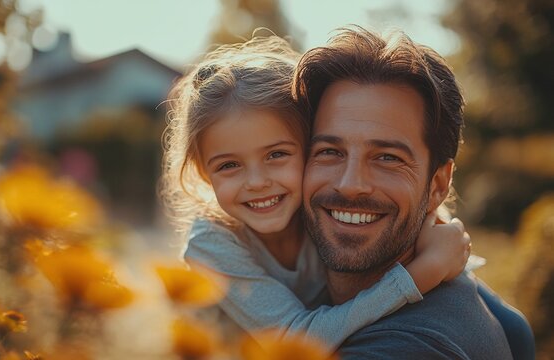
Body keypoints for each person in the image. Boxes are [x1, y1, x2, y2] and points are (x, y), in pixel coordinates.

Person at [160, 35, 471, 353]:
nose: (256, 182)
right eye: (228, 165)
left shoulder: (313, 208)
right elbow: (297, 343)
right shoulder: (211, 245)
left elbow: (427, 218)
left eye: (276, 155)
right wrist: (422, 274)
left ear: (307, 148)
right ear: (202, 172)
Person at [294, 26, 528, 359]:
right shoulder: (474, 302)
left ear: (438, 185)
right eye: (329, 151)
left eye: (388, 158)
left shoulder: (407, 347)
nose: (349, 184)